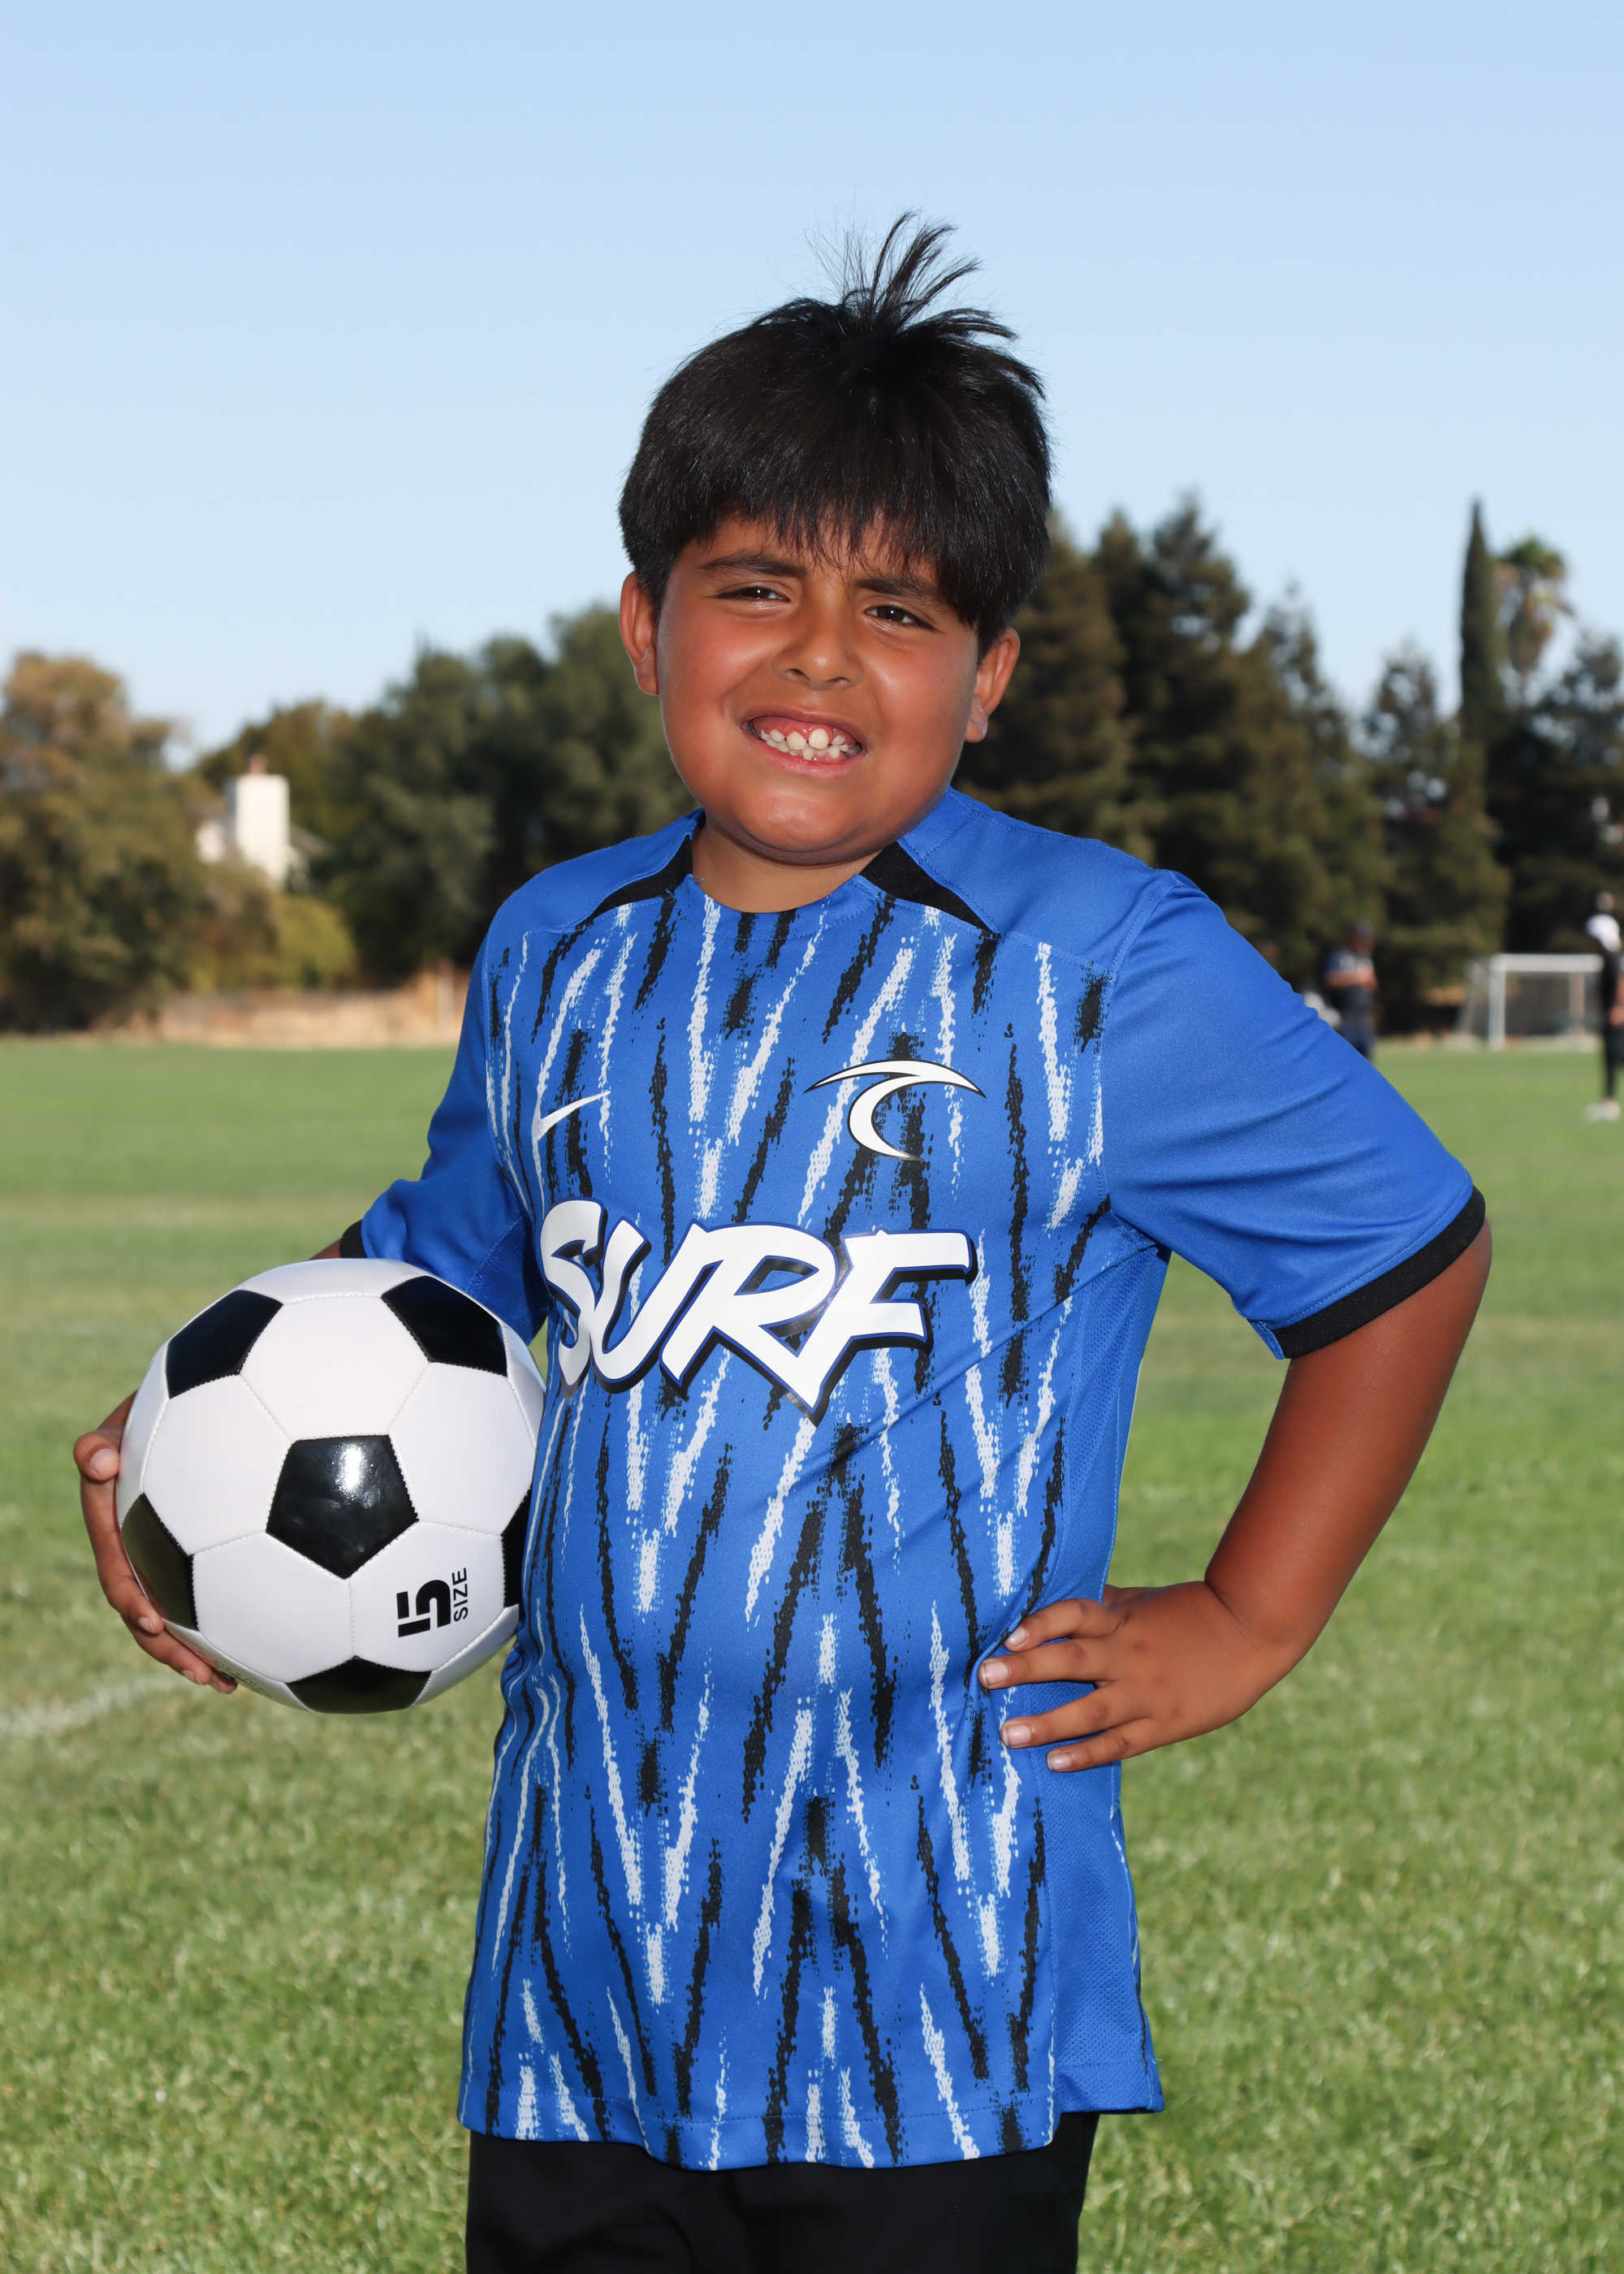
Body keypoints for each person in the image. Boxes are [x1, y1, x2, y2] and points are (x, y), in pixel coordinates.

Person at [73, 223, 1490, 2274]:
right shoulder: (558, 948)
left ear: (985, 677)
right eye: (755, 586)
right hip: (582, 1968)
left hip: (941, 1981)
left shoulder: (1099, 965)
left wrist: (1247, 1614)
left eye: (895, 610)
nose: (819, 656)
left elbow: (1402, 1253)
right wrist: (196, 1419)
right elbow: (437, 1272)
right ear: (644, 624)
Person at [1584, 892, 1622, 1121]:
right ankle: (1609, 1102)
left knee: (1616, 1056)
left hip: (1616, 1016)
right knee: (1611, 1059)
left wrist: (1618, 1007)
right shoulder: (1610, 957)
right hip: (1612, 1014)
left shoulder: (1611, 958)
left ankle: (1609, 1103)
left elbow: (1621, 981)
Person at [1322, 919, 1379, 1058]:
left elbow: (1373, 983)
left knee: (1367, 1059)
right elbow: (1330, 980)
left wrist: (1369, 981)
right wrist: (1355, 978)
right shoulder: (1339, 957)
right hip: (1345, 1016)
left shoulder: (1365, 958)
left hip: (1364, 1017)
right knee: (1347, 1057)